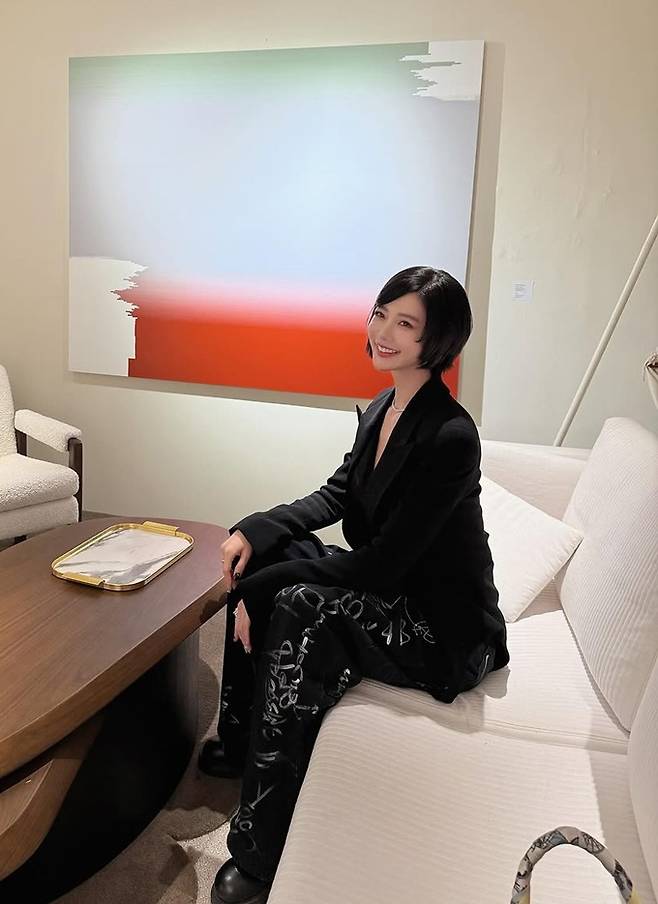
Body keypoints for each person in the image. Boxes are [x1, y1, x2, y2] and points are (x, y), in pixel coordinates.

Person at [201, 266, 510, 904]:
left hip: (442, 628)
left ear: (437, 341)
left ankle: (259, 852)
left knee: (296, 601)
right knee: (260, 560)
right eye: (380, 314)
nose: (384, 332)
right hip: (391, 588)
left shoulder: (451, 436)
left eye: (406, 323)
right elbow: (338, 494)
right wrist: (257, 528)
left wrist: (265, 592)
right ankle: (240, 741)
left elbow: (380, 566)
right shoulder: (381, 408)